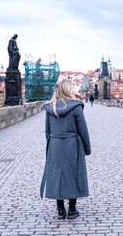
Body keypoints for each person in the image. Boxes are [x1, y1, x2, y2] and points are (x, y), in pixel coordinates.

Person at [40, 78, 91, 220]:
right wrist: (87, 149)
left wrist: (51, 146)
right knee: (73, 173)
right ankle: (72, 209)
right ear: (69, 90)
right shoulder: (76, 107)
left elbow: (47, 131)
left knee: (57, 174)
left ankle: (60, 209)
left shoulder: (51, 107)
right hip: (72, 144)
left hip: (55, 143)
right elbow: (83, 130)